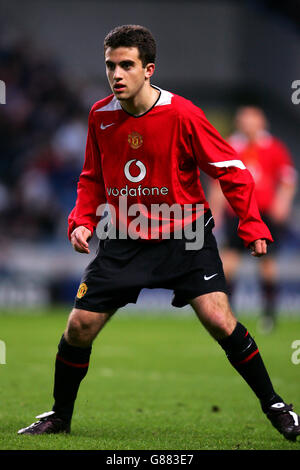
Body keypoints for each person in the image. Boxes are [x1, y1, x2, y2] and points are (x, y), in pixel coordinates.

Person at [18, 25, 300, 441]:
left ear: (148, 69)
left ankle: (277, 406)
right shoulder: (100, 116)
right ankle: (60, 415)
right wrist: (82, 220)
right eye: (111, 65)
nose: (117, 74)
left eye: (127, 65)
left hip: (185, 239)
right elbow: (92, 177)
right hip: (124, 240)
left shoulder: (183, 114)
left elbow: (231, 170)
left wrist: (251, 222)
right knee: (78, 327)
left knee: (220, 319)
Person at [208, 106, 297, 333]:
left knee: (267, 264)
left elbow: (287, 178)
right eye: (244, 120)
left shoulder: (274, 147)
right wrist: (215, 211)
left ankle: (268, 314)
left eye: (253, 120)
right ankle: (227, 315)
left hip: (264, 214)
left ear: (261, 123)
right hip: (236, 213)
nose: (248, 124)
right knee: (228, 263)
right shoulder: (229, 145)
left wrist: (283, 202)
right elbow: (218, 182)